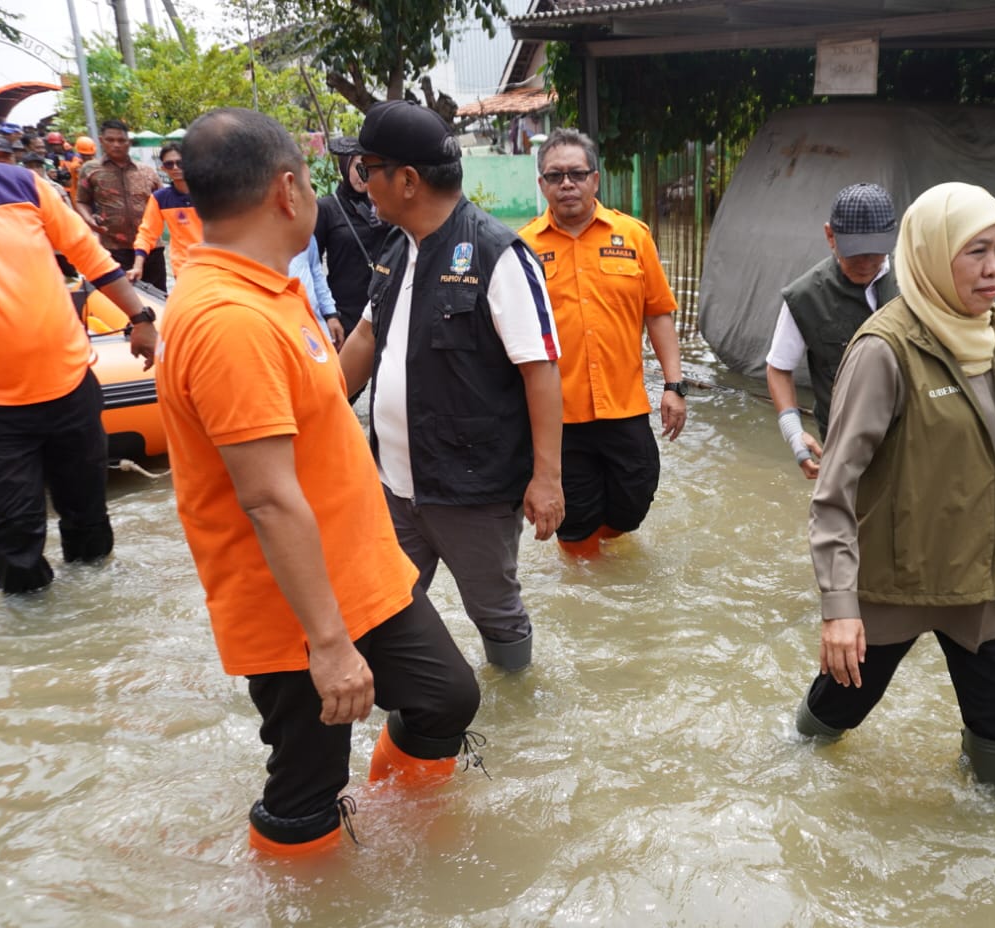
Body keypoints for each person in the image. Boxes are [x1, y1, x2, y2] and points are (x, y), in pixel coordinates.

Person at [157, 108, 484, 858]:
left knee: (446, 696)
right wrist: (330, 645)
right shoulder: (226, 319)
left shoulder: (273, 291)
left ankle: (405, 823)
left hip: (359, 571)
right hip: (294, 604)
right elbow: (267, 496)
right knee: (308, 779)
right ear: (287, 190)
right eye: (315, 178)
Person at [793, 182, 995, 796]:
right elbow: (834, 490)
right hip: (892, 588)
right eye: (976, 251)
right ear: (930, 253)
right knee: (818, 734)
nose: (994, 268)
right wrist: (840, 610)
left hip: (982, 588)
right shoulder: (884, 350)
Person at [338, 101, 565, 672]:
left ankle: (517, 705)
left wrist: (547, 479)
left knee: (494, 610)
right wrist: (315, 414)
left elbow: (540, 369)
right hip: (394, 484)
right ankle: (414, 706)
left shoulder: (497, 255)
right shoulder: (396, 247)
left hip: (472, 489)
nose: (360, 183)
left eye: (368, 168)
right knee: (386, 601)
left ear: (407, 180)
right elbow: (366, 338)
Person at [0, 145, 159, 593]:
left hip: (69, 385)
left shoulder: (20, 186)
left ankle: (96, 618)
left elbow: (88, 255)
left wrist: (140, 319)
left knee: (88, 516)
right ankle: (33, 639)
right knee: (16, 533)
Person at [519, 128, 686, 557]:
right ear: (542, 185)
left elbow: (658, 312)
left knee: (635, 499)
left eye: (577, 173)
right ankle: (586, 588)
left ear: (595, 179)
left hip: (624, 404)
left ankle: (607, 561)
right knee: (575, 523)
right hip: (559, 415)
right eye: (555, 176)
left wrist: (674, 385)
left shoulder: (633, 237)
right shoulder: (521, 249)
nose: (567, 184)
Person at [766, 183, 899, 479]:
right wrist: (794, 433)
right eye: (855, 253)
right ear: (830, 236)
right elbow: (778, 368)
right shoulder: (805, 297)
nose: (866, 263)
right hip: (844, 450)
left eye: (875, 252)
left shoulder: (915, 281)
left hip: (910, 443)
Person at [313, 136, 392, 338]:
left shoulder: (386, 205)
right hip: (345, 315)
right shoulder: (327, 208)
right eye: (357, 167)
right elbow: (312, 266)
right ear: (345, 167)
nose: (362, 175)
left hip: (385, 308)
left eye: (367, 167)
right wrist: (329, 315)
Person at [76, 119, 165, 290]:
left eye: (121, 140)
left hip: (151, 248)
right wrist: (89, 220)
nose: (116, 145)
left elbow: (163, 202)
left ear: (129, 142)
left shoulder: (146, 171)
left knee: (159, 296)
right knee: (126, 298)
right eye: (110, 140)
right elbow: (81, 201)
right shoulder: (90, 170)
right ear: (102, 141)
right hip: (115, 248)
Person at [131, 141, 202, 289]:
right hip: (184, 267)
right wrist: (138, 265)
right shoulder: (160, 199)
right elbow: (147, 233)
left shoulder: (213, 193)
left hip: (216, 265)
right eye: (169, 164)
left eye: (180, 163)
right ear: (163, 168)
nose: (175, 168)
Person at [288, 232, 342, 345]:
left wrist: (331, 314)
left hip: (313, 324)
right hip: (282, 326)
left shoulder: (305, 234)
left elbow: (316, 273)